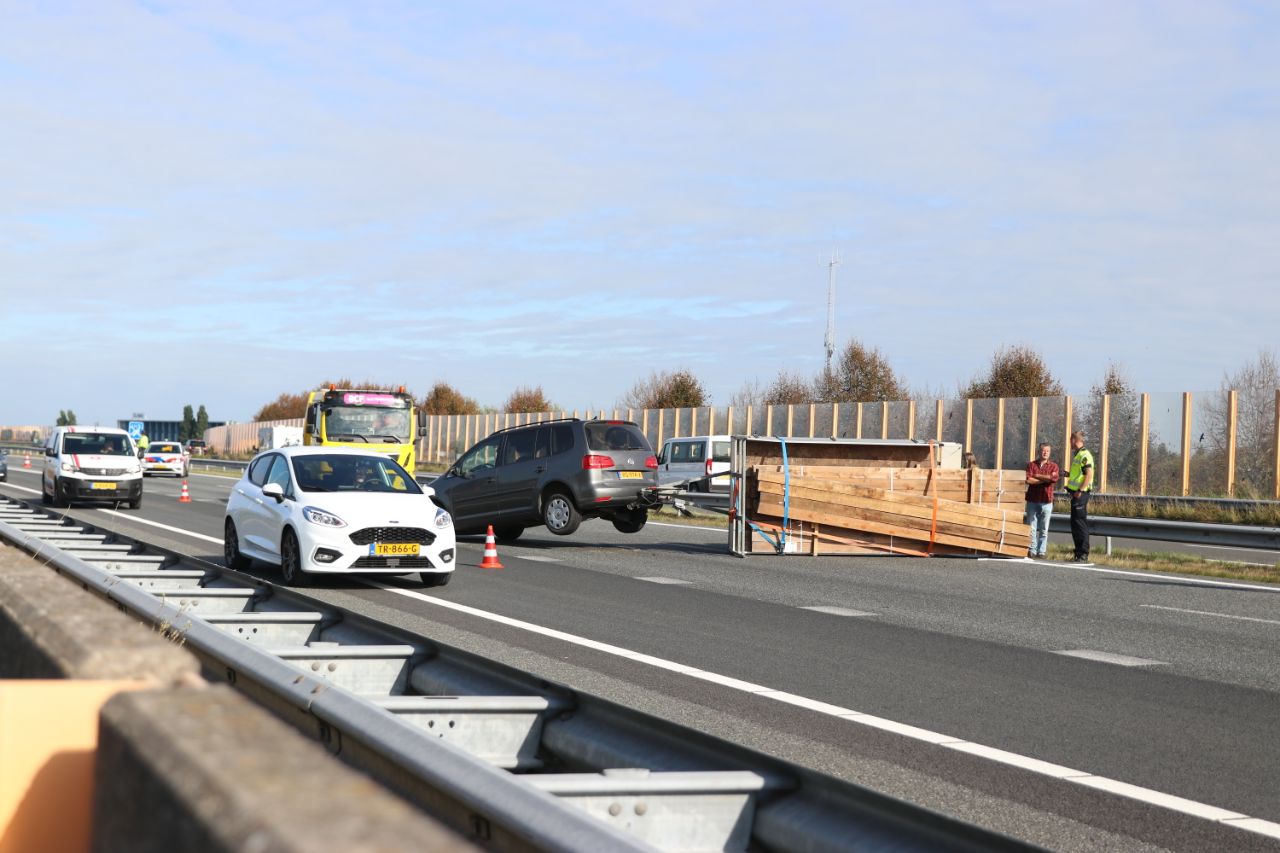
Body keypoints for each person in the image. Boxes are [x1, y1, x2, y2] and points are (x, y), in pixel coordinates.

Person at [1023, 442, 1059, 558]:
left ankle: (1041, 551)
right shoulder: (1031, 465)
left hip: (1046, 501)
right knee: (1032, 527)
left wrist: (1037, 476)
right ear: (1039, 451)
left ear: (1050, 452)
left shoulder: (1054, 466)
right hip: (1032, 500)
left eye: (1047, 451)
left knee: (1044, 529)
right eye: (1043, 450)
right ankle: (1032, 549)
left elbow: (1053, 478)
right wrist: (1045, 479)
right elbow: (1028, 479)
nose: (1045, 453)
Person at [1064, 430, 1095, 562]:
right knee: (1075, 524)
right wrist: (1066, 474)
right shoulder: (1078, 454)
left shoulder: (1084, 455)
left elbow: (1088, 475)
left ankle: (1083, 554)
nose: (1069, 443)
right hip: (1075, 494)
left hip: (1080, 495)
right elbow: (1078, 475)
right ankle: (1078, 553)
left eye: (1070, 440)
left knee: (1080, 524)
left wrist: (1080, 490)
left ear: (1074, 440)